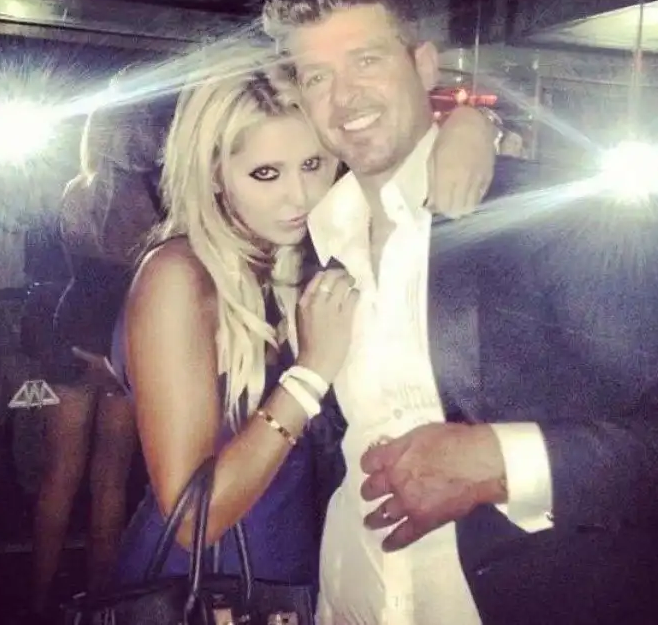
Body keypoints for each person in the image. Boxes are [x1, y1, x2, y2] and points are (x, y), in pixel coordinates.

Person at [263, 0, 658, 625]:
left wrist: (497, 460)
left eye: (367, 60)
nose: (344, 98)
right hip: (352, 599)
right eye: (318, 77)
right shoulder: (314, 244)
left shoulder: (554, 213)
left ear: (424, 66)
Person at [113, 58, 496, 598]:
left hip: (296, 576)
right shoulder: (179, 275)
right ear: (214, 173)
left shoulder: (303, 257)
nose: (299, 197)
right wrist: (310, 374)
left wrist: (474, 125)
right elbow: (193, 517)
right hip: (202, 588)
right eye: (266, 173)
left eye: (313, 164)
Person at [31, 82, 168, 623]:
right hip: (121, 340)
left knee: (58, 476)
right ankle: (98, 606)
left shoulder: (77, 190)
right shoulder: (155, 197)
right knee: (111, 479)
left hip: (74, 332)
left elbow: (76, 269)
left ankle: (38, 604)